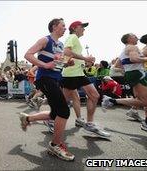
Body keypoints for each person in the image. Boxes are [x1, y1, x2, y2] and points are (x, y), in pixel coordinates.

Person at [19, 18, 75, 161]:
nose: (65, 28)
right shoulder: (45, 40)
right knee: (64, 111)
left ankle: (27, 118)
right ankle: (55, 145)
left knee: (55, 113)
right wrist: (44, 65)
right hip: (45, 79)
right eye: (63, 26)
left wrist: (67, 64)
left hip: (55, 79)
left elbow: (57, 63)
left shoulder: (61, 44)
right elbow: (28, 54)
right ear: (55, 27)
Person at [60, 21, 110, 138]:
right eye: (81, 27)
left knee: (94, 96)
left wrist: (84, 62)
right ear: (74, 28)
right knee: (62, 103)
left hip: (78, 73)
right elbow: (66, 52)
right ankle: (51, 119)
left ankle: (89, 124)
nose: (84, 29)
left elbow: (66, 56)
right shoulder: (72, 37)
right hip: (71, 75)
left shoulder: (74, 39)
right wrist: (85, 57)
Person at [102, 33, 147, 132]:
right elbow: (133, 59)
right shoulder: (132, 47)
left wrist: (127, 69)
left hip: (134, 74)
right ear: (129, 39)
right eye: (134, 36)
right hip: (137, 74)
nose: (136, 37)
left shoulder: (126, 49)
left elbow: (117, 65)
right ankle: (111, 100)